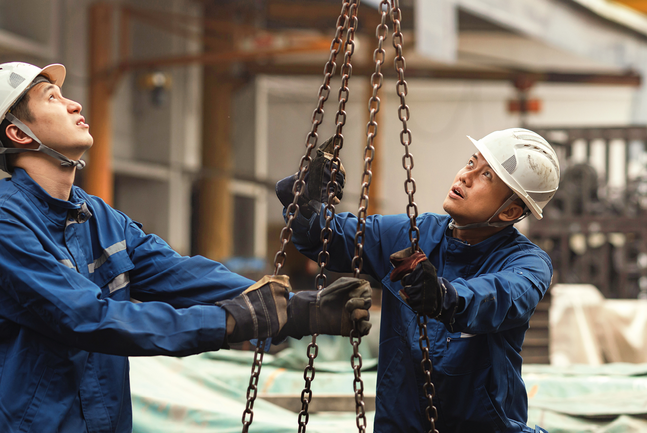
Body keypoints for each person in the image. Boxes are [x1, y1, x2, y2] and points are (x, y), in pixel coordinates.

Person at [0, 61, 373, 433]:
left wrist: (295, 310)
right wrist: (227, 321)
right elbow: (86, 317)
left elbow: (179, 274)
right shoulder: (7, 222)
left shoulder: (96, 216)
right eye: (52, 98)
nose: (75, 105)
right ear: (19, 134)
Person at [276, 127, 560, 432]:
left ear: (511, 211)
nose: (465, 176)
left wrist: (445, 297)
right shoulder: (413, 234)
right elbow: (326, 237)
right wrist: (305, 197)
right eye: (470, 163)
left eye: (486, 176)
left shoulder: (527, 263)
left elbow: (500, 295)